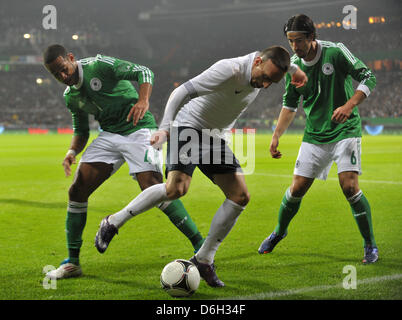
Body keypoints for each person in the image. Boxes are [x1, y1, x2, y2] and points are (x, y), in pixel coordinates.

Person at [95, 46, 308, 287]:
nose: (266, 85)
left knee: (240, 196)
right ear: (257, 62)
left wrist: (295, 70)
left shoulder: (269, 65)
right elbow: (180, 93)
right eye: (266, 78)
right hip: (189, 126)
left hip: (215, 135)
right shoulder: (229, 70)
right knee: (176, 189)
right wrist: (165, 128)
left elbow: (280, 61)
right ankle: (113, 222)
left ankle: (204, 259)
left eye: (273, 82)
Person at [42, 44, 205, 279]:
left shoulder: (99, 65)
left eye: (63, 69)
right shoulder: (71, 97)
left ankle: (200, 245)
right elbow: (81, 130)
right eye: (56, 74)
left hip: (139, 129)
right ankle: (73, 263)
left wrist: (143, 100)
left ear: (70, 58)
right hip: (109, 135)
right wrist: (71, 152)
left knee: (155, 188)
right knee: (77, 190)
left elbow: (144, 72)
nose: (63, 76)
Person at [258, 14, 378, 264]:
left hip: (345, 129)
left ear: (312, 37)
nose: (295, 47)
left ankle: (370, 245)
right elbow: (289, 105)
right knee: (297, 189)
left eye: (299, 40)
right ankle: (279, 231)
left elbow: (369, 77)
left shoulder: (336, 52)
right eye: (290, 41)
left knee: (349, 187)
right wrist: (276, 136)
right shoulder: (292, 66)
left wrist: (349, 105)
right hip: (314, 133)